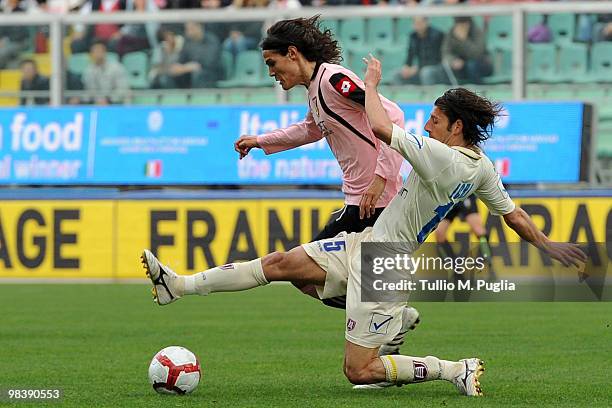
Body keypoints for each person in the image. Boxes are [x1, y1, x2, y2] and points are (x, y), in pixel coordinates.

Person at [142, 57, 586, 393]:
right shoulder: (482, 167)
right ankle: (178, 286)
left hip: (385, 264)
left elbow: (378, 123)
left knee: (360, 371)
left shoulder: (440, 156)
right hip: (369, 243)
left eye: (434, 120)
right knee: (281, 264)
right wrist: (549, 246)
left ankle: (453, 368)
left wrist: (370, 83)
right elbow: (514, 215)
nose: (427, 127)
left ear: (456, 126)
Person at [395, 16, 446, 86]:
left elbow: (436, 59)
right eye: (415, 23)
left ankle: (429, 95)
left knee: (426, 72)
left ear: (426, 22)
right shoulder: (413, 36)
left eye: (419, 23)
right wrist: (407, 66)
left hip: (437, 68)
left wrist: (417, 68)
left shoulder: (437, 35)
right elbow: (410, 54)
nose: (417, 25)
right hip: (420, 68)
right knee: (397, 75)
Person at [442, 16, 492, 84]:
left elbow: (477, 54)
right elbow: (446, 52)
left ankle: (477, 91)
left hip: (481, 64)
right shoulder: (451, 33)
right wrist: (453, 60)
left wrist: (463, 40)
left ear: (468, 24)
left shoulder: (477, 32)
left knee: (471, 65)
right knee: (444, 68)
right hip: (461, 65)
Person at [82, 39, 130, 104]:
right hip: (96, 104)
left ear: (105, 52)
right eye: (95, 51)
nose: (98, 53)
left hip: (115, 103)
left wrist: (108, 100)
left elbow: (122, 89)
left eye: (100, 51)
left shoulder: (117, 67)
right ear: (91, 54)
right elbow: (89, 91)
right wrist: (99, 100)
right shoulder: (88, 70)